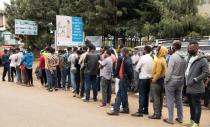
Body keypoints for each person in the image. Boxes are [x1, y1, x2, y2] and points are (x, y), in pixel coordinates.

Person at [185, 41, 209, 127]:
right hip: (188, 86)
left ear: (196, 48)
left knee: (197, 105)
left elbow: (206, 73)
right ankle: (192, 121)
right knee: (191, 105)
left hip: (196, 87)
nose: (189, 49)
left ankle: (196, 123)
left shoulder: (202, 59)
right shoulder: (189, 57)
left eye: (191, 48)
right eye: (189, 48)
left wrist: (195, 79)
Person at [163, 41, 187, 124]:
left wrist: (166, 80)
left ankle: (170, 119)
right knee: (179, 100)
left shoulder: (173, 57)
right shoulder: (184, 57)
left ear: (173, 47)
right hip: (181, 80)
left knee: (170, 100)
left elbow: (169, 71)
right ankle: (180, 118)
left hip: (172, 80)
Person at [107, 47, 133, 116]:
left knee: (119, 95)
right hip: (123, 79)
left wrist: (129, 81)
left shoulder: (128, 60)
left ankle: (116, 110)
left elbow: (130, 72)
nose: (121, 53)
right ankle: (126, 109)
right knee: (124, 95)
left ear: (125, 52)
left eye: (122, 52)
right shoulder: (125, 59)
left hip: (124, 80)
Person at [131, 45, 153, 117]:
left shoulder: (142, 58)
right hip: (149, 78)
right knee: (146, 95)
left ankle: (140, 111)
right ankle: (146, 110)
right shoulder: (152, 58)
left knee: (142, 95)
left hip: (143, 78)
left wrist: (141, 70)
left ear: (145, 50)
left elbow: (137, 68)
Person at [149, 46, 168, 119]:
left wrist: (154, 79)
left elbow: (158, 72)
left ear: (161, 51)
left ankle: (156, 114)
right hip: (161, 81)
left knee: (156, 98)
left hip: (157, 81)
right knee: (160, 98)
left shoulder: (159, 60)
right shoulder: (163, 59)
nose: (156, 51)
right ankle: (159, 113)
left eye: (157, 50)